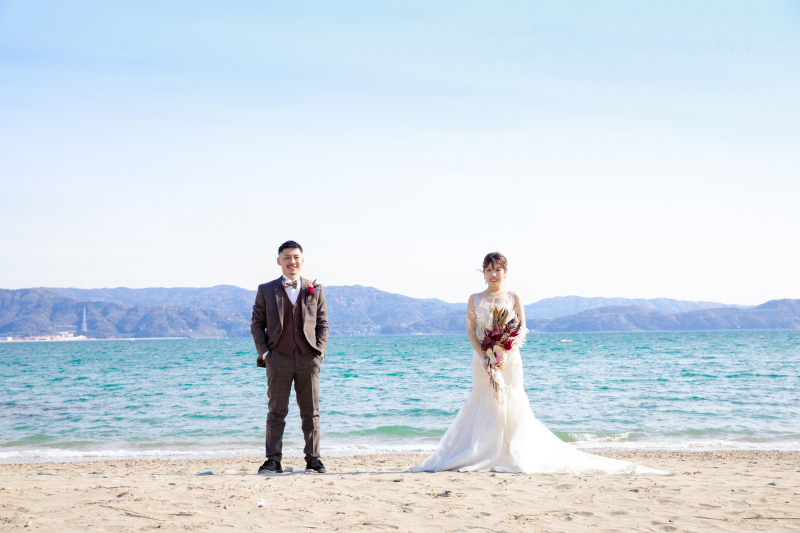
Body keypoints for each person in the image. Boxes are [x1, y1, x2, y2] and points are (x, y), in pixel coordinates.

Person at [411, 252, 666, 475]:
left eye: (497, 269)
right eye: (488, 270)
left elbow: (520, 328)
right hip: (482, 360)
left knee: (512, 399)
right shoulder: (474, 298)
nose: (493, 274)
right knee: (484, 400)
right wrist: (484, 356)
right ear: (484, 273)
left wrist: (505, 354)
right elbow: (471, 331)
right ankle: (481, 450)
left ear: (505, 272)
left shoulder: (513, 296)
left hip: (510, 360)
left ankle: (512, 452)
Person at [251, 240, 329, 474]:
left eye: (296, 257)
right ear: (279, 261)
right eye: (287, 257)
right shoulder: (265, 289)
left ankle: (313, 458)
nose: (291, 261)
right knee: (276, 410)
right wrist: (266, 354)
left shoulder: (315, 289)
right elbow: (257, 324)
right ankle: (273, 460)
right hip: (278, 358)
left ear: (302, 260)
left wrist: (319, 353)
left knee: (311, 411)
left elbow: (323, 324)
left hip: (308, 358)